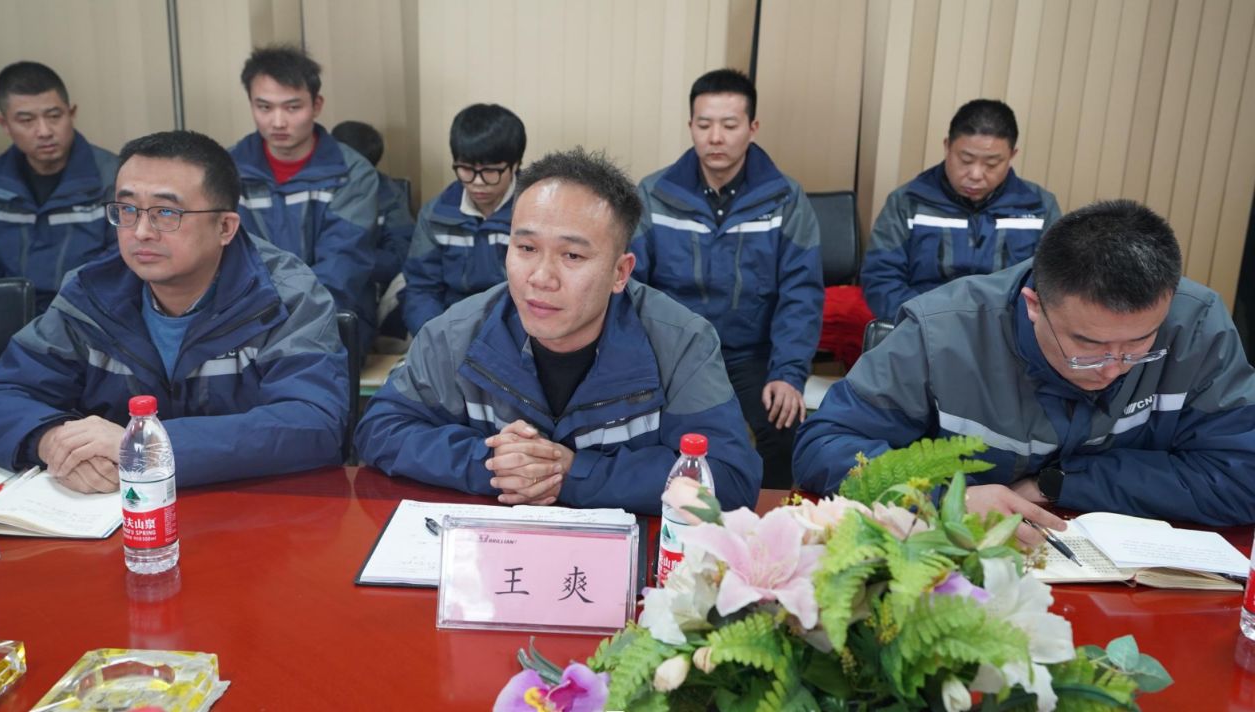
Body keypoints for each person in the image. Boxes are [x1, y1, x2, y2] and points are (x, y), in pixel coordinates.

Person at [795, 200, 1255, 538]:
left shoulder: (1197, 327)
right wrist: (946, 501)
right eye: (1087, 345)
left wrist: (1062, 483)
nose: (1113, 369)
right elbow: (824, 445)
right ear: (1034, 305)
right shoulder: (942, 333)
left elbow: (1243, 476)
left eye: (1139, 345)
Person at [357, 148, 761, 515]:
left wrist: (574, 474)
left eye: (572, 255)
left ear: (620, 273)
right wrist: (492, 465)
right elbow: (380, 429)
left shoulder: (680, 341)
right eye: (526, 248)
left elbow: (727, 477)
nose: (541, 278)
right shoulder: (457, 332)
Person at [0, 130, 348, 492]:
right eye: (127, 210)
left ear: (225, 226)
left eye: (166, 213)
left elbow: (314, 423)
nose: (141, 232)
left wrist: (146, 446)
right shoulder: (90, 295)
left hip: (252, 509)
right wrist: (50, 439)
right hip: (116, 513)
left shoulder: (283, 296)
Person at [631, 68, 823, 489]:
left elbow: (801, 293)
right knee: (645, 432)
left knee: (785, 427)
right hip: (673, 349)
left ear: (752, 128)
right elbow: (632, 287)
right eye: (704, 125)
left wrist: (788, 374)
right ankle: (670, 515)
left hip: (750, 353)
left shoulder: (785, 199)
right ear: (690, 126)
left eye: (729, 125)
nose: (715, 137)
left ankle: (767, 518)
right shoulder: (654, 194)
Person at [229, 45, 378, 353]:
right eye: (264, 107)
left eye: (292, 107)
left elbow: (342, 269)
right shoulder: (224, 171)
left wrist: (281, 325)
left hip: (331, 320)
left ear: (316, 105)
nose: (277, 122)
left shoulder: (352, 174)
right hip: (245, 322)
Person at [860, 99, 1061, 322]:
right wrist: (927, 324)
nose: (975, 174)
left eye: (992, 164)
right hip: (923, 326)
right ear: (947, 146)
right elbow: (881, 279)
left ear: (1012, 155)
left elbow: (1053, 284)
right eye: (965, 160)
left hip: (1007, 330)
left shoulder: (1039, 208)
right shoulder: (908, 203)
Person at [0, 61, 118, 314]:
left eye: (54, 116)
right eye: (26, 120)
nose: (44, 131)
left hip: (89, 316)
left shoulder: (113, 178)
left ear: (71, 113)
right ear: (4, 124)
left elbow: (119, 268)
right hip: (9, 318)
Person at [401, 103, 526, 336]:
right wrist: (438, 339)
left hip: (517, 329)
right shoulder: (436, 214)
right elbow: (421, 289)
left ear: (515, 165)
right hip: (451, 326)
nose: (477, 182)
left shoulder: (536, 214)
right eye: (466, 169)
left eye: (490, 171)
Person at [331, 119, 416, 341]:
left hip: (363, 289)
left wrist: (351, 258)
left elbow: (401, 255)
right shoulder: (311, 186)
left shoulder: (388, 194)